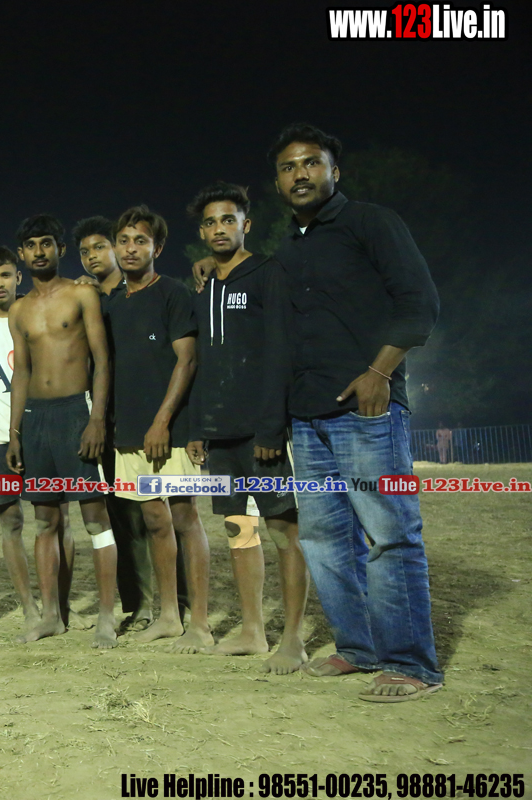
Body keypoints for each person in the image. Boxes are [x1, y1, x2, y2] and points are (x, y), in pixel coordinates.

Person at [263, 123, 442, 701]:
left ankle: (411, 664)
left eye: (311, 162)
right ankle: (359, 649)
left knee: (390, 535)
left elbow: (420, 303)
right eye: (288, 167)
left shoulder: (372, 222)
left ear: (334, 171)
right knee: (324, 541)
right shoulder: (287, 249)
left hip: (368, 410)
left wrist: (379, 373)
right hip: (307, 417)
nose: (300, 174)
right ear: (278, 182)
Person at [182, 182, 310, 674]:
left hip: (262, 432)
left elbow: (281, 351)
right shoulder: (203, 285)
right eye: (211, 222)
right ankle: (254, 631)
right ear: (202, 231)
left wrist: (272, 428)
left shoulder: (267, 273)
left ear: (246, 224)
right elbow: (201, 361)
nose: (220, 228)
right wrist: (199, 426)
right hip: (220, 432)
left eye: (229, 219)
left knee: (283, 530)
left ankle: (293, 639)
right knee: (239, 529)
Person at [5, 214, 118, 648]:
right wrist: (15, 432)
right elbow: (21, 372)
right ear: (22, 254)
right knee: (45, 520)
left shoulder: (81, 294)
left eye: (46, 243)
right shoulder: (19, 310)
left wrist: (96, 419)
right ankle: (51, 615)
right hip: (36, 418)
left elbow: (102, 359)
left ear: (59, 249)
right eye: (31, 245)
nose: (39, 251)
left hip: (76, 413)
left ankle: (106, 617)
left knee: (95, 519)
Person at [105, 205, 213, 653]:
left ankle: (200, 622)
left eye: (141, 241)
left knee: (185, 517)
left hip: (171, 428)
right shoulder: (113, 302)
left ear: (158, 248)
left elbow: (188, 361)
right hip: (128, 430)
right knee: (153, 519)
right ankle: (169, 616)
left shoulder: (173, 293)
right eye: (124, 240)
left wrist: (163, 422)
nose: (131, 249)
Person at [0, 247, 74, 630]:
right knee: (10, 521)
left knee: (58, 519)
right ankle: (29, 608)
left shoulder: (37, 314)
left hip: (42, 434)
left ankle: (60, 608)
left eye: (6, 275)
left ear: (18, 278)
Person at [72, 216, 171, 632]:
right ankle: (138, 603)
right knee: (121, 517)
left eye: (99, 247)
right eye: (85, 251)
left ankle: (174, 604)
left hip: (146, 420)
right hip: (108, 422)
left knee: (160, 516)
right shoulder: (89, 299)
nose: (92, 256)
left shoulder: (138, 293)